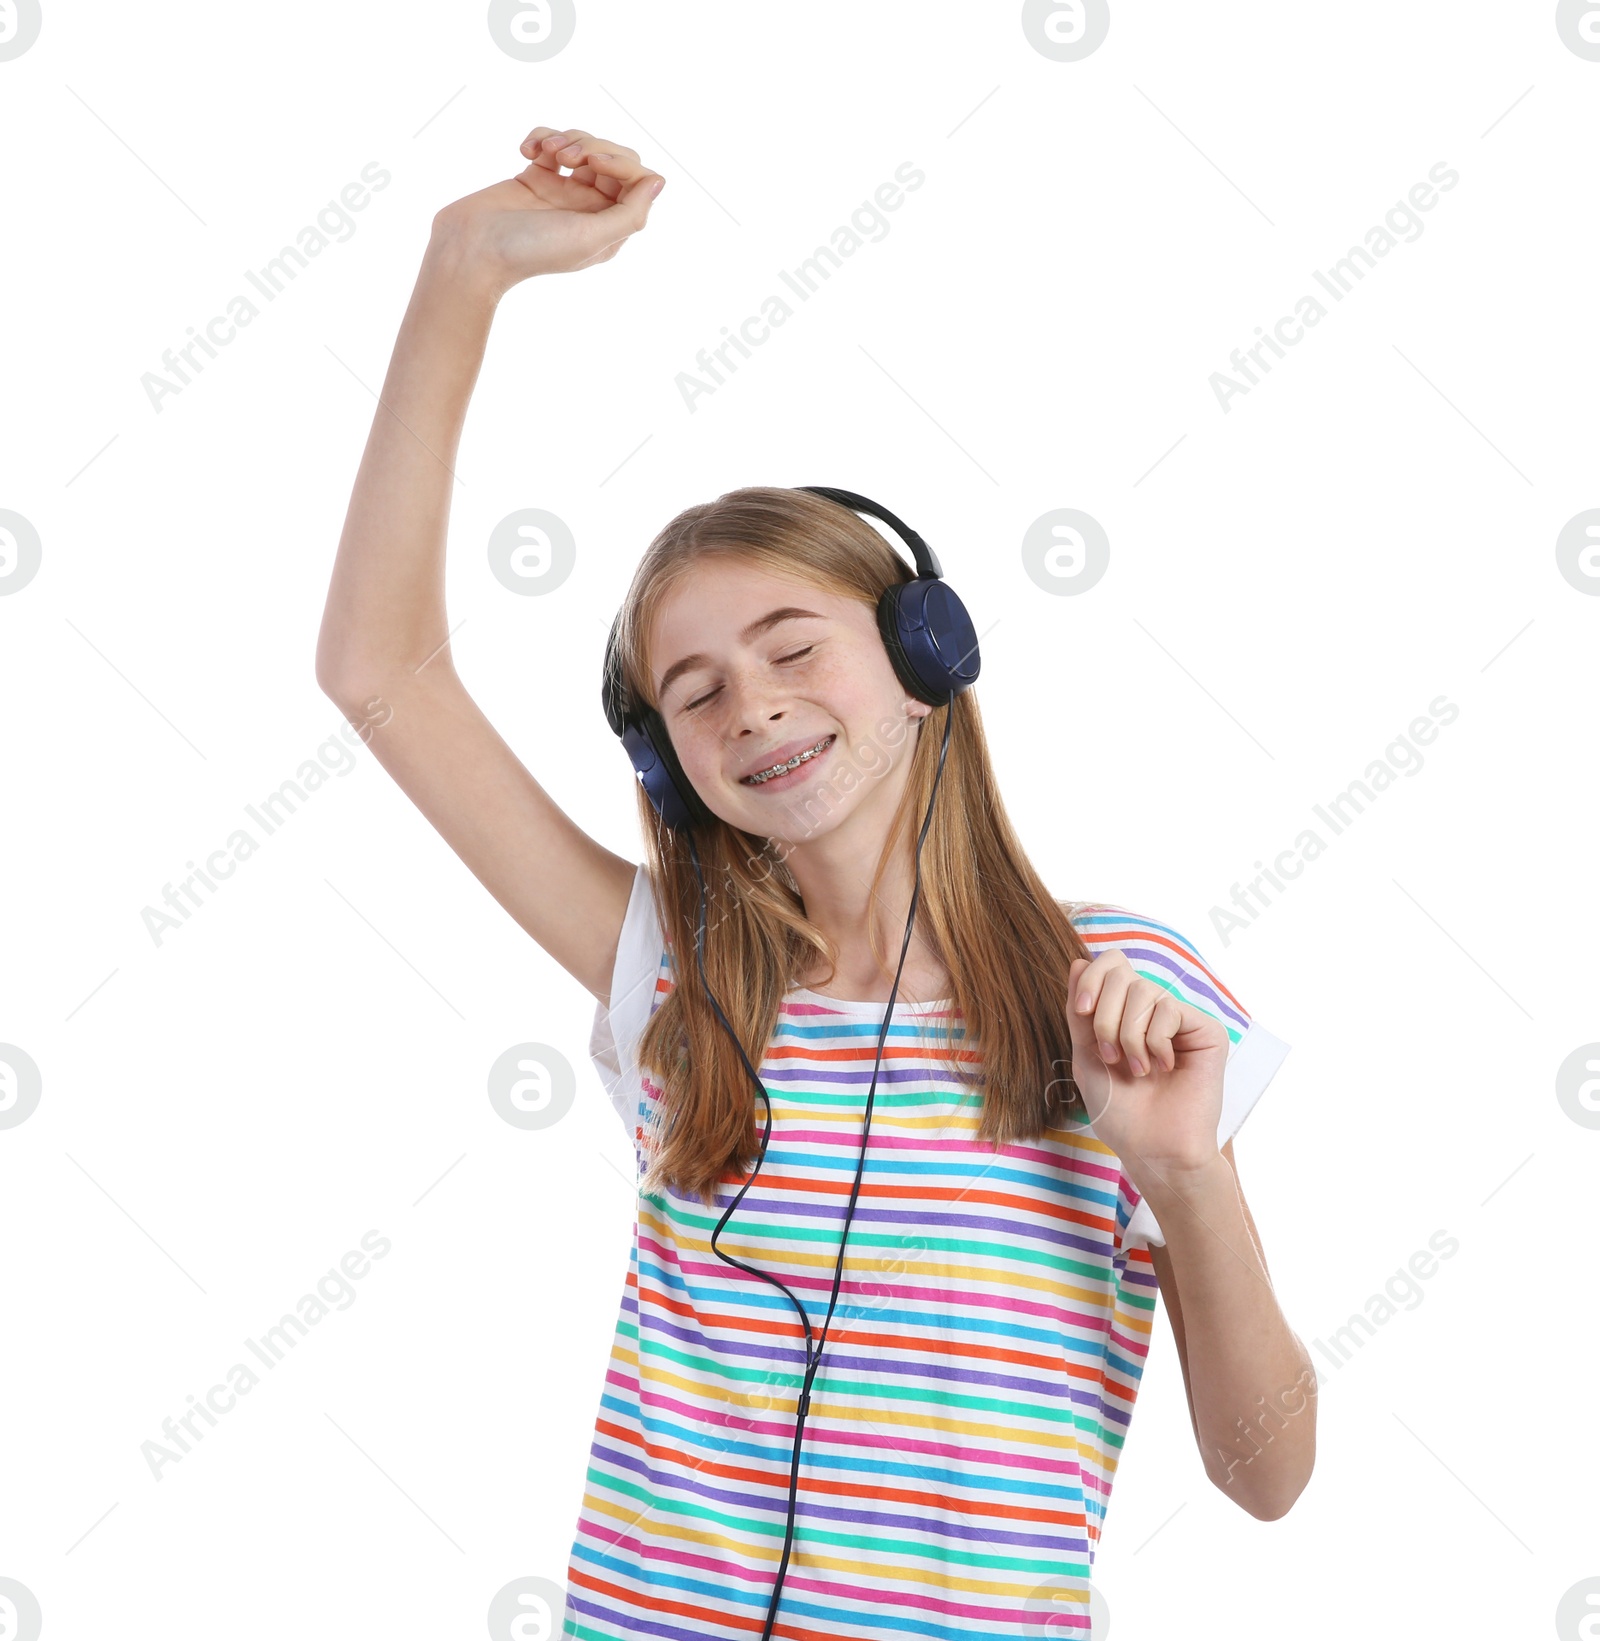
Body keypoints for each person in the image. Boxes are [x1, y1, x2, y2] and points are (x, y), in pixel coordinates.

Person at [317, 124, 1317, 1641]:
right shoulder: (676, 974)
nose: (754, 707)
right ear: (668, 763)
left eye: (795, 646)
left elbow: (1267, 1477)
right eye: (696, 691)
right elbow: (378, 669)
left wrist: (1184, 1176)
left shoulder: (1115, 992)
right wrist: (465, 277)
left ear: (927, 658)